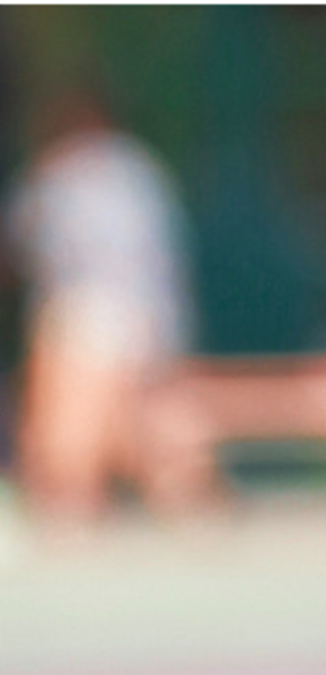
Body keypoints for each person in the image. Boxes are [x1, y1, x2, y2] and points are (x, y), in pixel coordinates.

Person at [4, 89, 215, 516]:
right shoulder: (143, 168)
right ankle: (187, 504)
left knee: (71, 446)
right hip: (154, 320)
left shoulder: (62, 171)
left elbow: (16, 253)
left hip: (93, 319)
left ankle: (75, 504)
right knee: (154, 433)